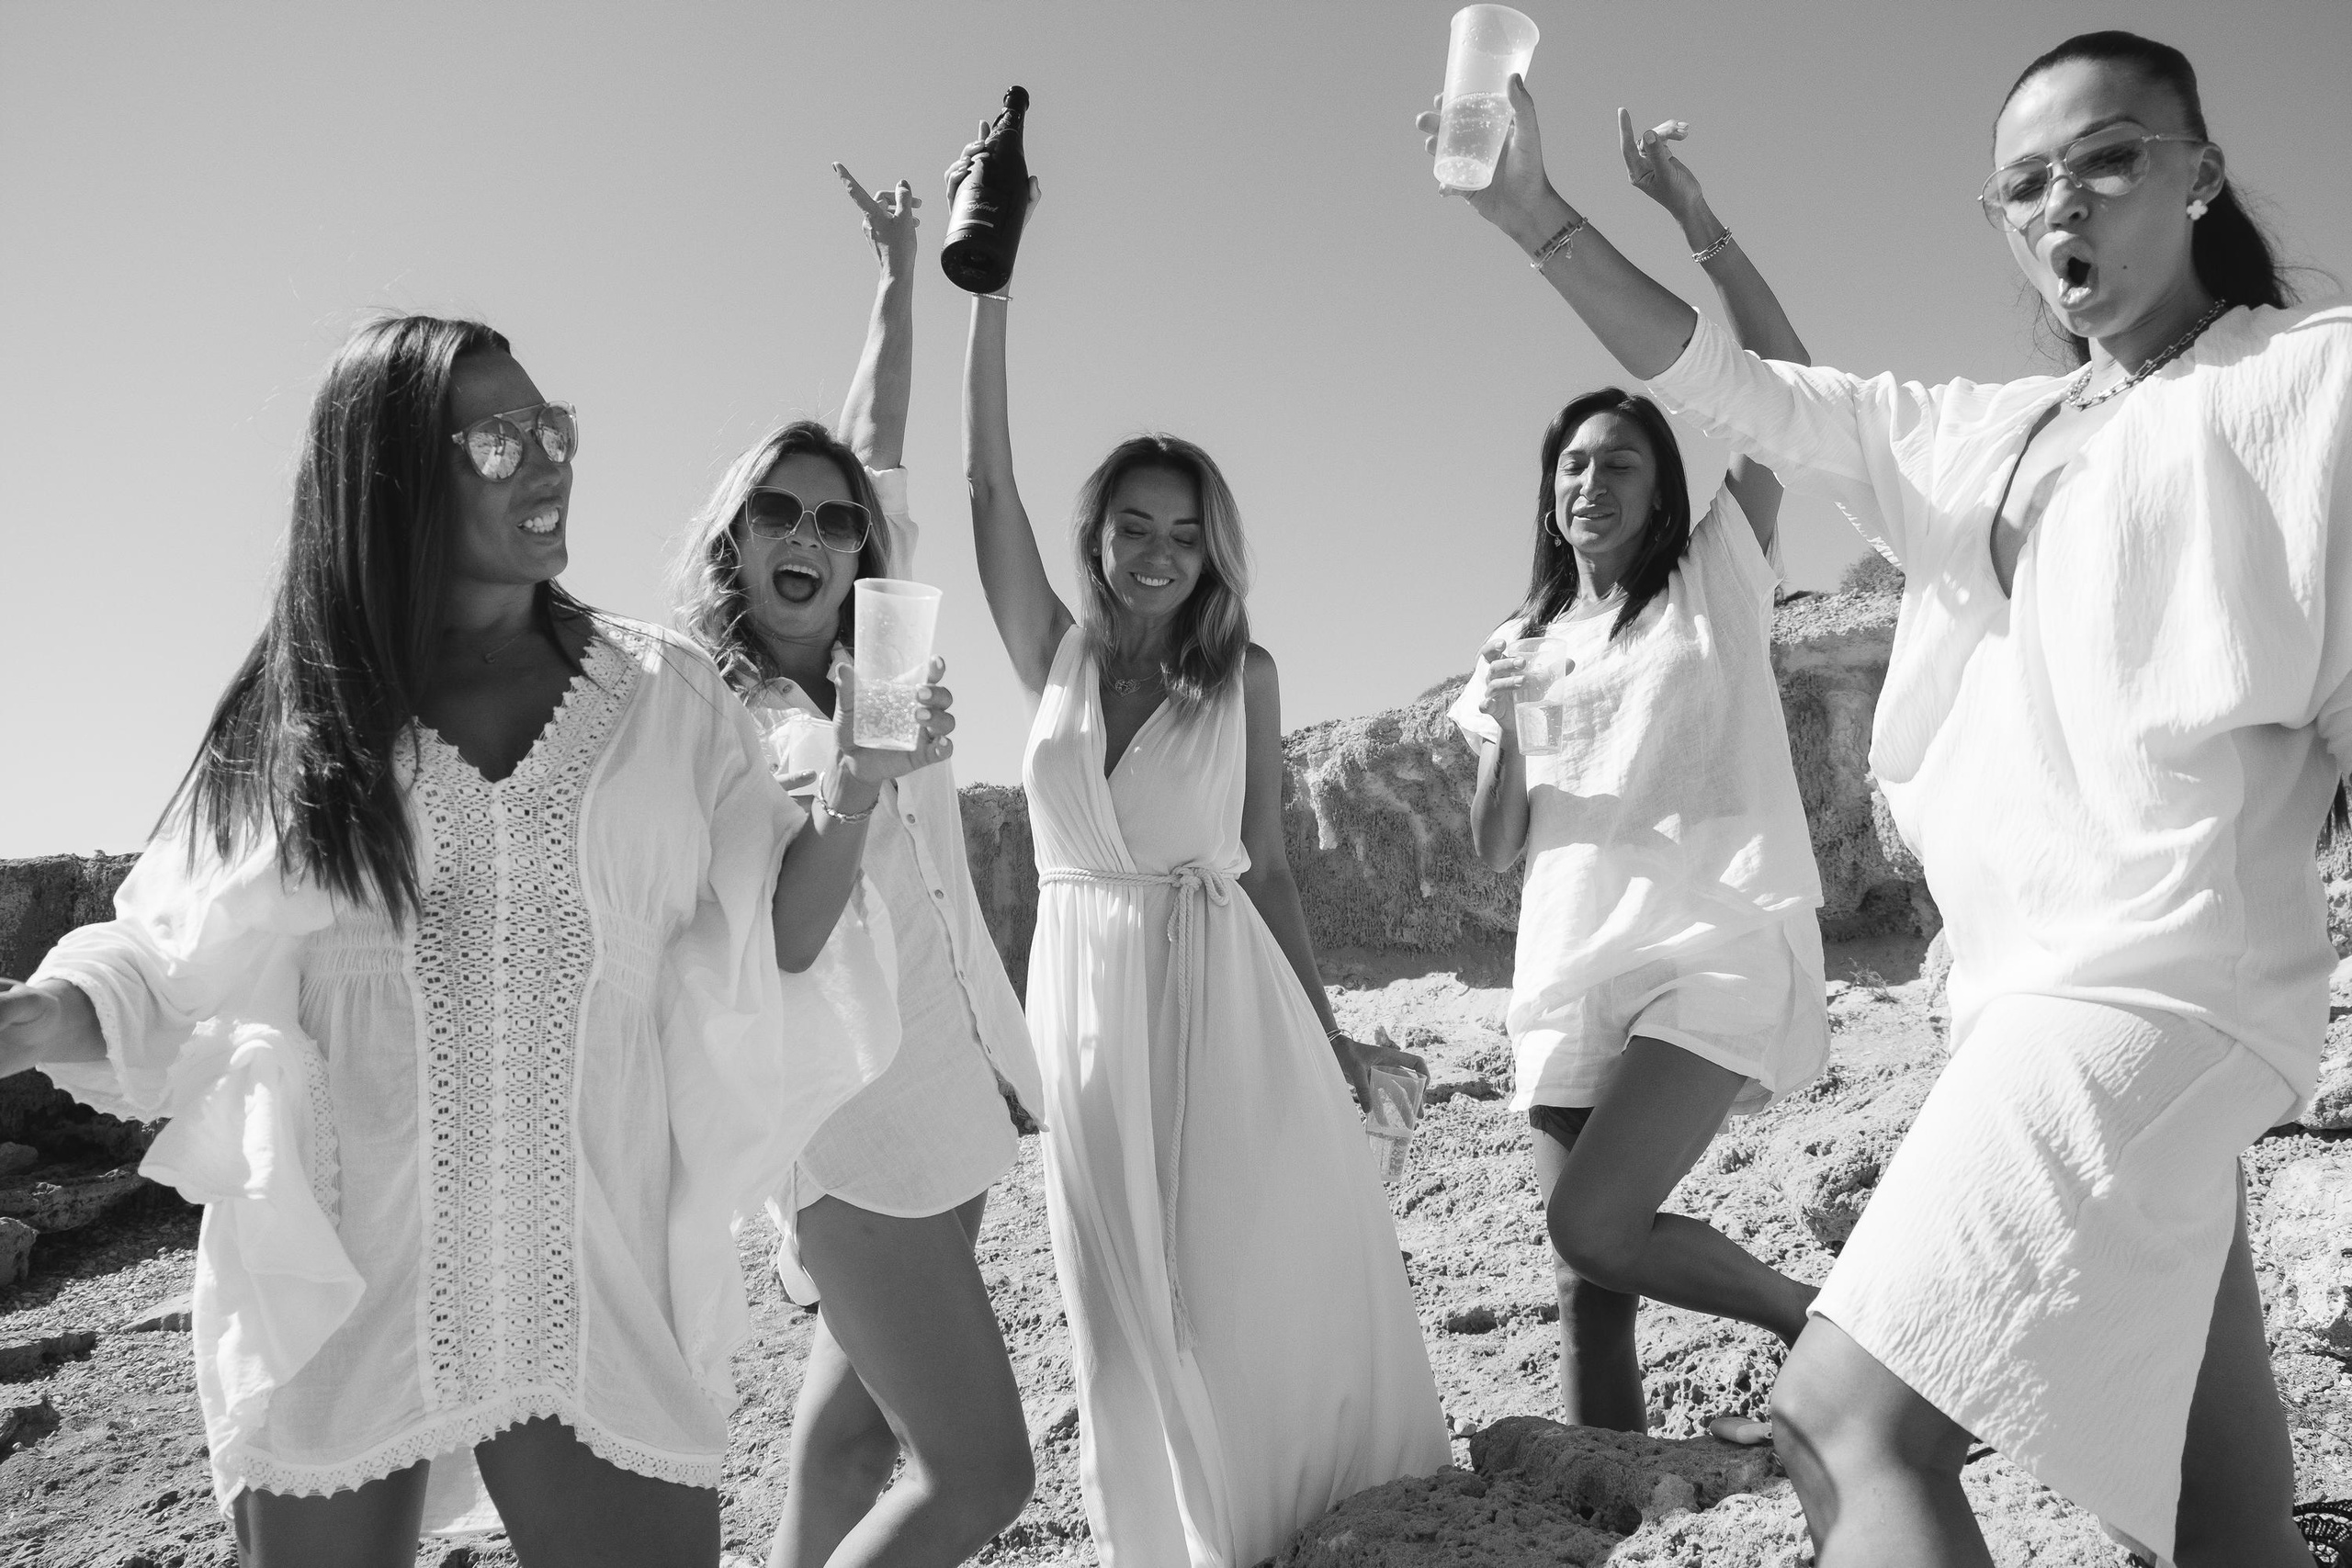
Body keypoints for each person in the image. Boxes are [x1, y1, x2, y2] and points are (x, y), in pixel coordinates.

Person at [1420, 28, 2346, 1568]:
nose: (2070, 203)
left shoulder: (2302, 380)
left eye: (2113, 157)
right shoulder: (1981, 434)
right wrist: (1534, 218)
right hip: (2019, 988)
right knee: (2206, 1426)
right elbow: (1740, 383)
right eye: (2026, 183)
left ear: (2199, 178)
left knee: (1846, 1428)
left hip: (2150, 986)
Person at [0, 314, 914, 1567]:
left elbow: (777, 940)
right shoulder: (311, 708)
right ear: (393, 480)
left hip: (587, 1277)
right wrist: (40, 1013)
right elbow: (172, 938)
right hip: (342, 1269)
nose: (552, 464)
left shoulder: (669, 695)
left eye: (557, 429)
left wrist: (858, 787)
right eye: (503, 440)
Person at [956, 152, 1449, 1567]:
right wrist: (993, 285)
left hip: (1221, 983)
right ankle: (1167, 1539)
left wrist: (1332, 1032)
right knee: (1112, 1280)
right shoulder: (1043, 651)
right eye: (1134, 526)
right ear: (1097, 537)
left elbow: (1273, 867)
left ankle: (1285, 1511)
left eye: (1185, 532)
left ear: (1210, 551)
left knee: (1241, 1267)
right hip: (1084, 984)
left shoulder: (1250, 676)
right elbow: (983, 473)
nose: (1158, 551)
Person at [667, 164, 1044, 1568]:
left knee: (849, 1438)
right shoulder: (713, 718)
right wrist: (861, 785)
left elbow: (873, 436)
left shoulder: (870, 656)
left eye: (834, 521)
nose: (814, 535)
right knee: (985, 1477)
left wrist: (897, 268)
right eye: (780, 513)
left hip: (949, 1079)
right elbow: (780, 944)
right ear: (735, 538)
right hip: (851, 1130)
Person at [1451, 115, 1828, 1438]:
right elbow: (1498, 847)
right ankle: (1610, 1496)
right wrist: (1498, 730)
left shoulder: (1716, 576)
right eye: (1570, 463)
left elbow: (1788, 383)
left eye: (1617, 459)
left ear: (1660, 485)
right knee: (1585, 1280)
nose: (1588, 478)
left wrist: (1696, 221)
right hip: (1568, 959)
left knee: (1594, 1219)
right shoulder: (1517, 642)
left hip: (1708, 936)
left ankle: (1815, 1329)